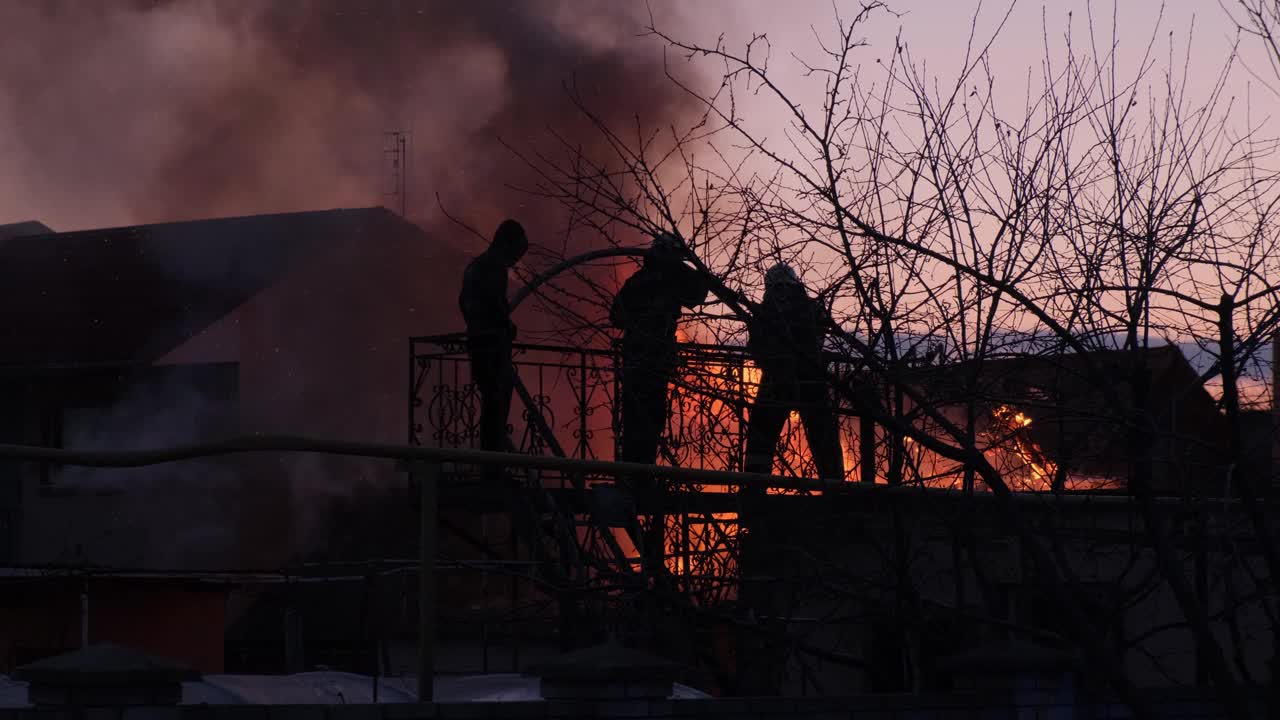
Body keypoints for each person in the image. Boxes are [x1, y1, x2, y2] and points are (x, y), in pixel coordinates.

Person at [609, 232, 712, 473]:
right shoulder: (670, 279)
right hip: (651, 359)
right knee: (649, 420)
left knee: (637, 421)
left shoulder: (639, 279)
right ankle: (641, 476)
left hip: (637, 358)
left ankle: (633, 476)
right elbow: (698, 294)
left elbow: (616, 316)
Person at [742, 263, 843, 481]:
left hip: (776, 380)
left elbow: (757, 347)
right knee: (823, 435)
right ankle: (836, 489)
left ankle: (753, 487)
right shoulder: (813, 307)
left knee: (761, 432)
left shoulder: (766, 310)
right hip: (812, 379)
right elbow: (820, 335)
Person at [459, 219, 528, 480]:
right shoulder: (491, 269)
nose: (516, 261)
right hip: (489, 347)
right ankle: (492, 464)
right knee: (496, 401)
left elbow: (467, 304)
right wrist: (503, 325)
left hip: (482, 343)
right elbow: (492, 304)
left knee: (494, 402)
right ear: (506, 244)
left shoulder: (478, 267)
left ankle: (493, 459)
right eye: (516, 254)